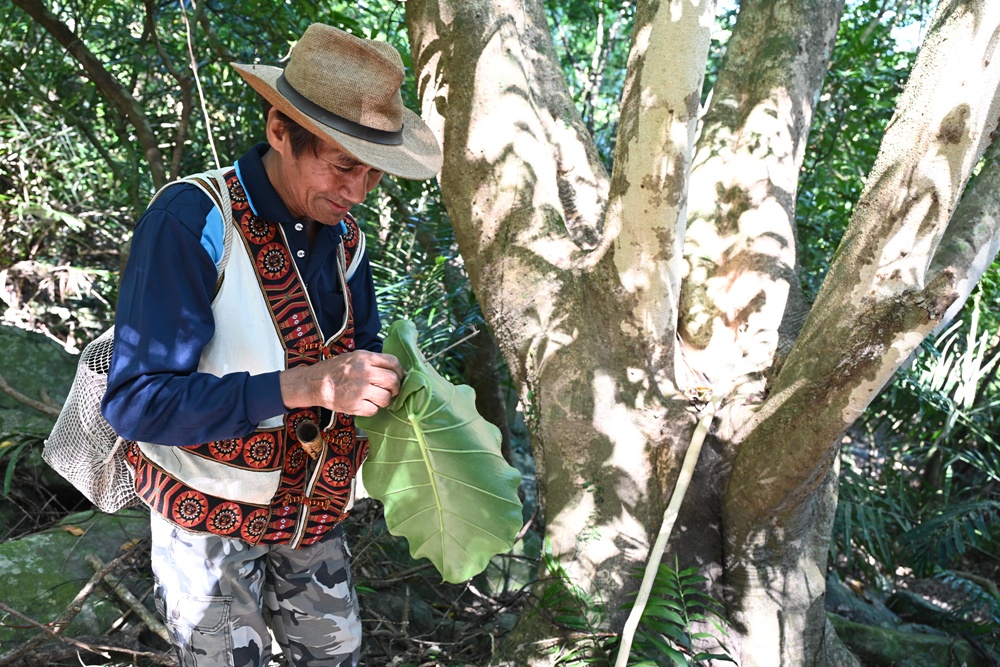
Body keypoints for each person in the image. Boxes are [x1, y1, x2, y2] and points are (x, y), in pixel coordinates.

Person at [101, 23, 442, 667]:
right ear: (280, 131)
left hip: (312, 513)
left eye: (373, 174)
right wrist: (307, 386)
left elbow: (358, 346)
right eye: (342, 166)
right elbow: (136, 402)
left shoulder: (345, 238)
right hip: (204, 518)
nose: (357, 192)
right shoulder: (193, 220)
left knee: (335, 655)